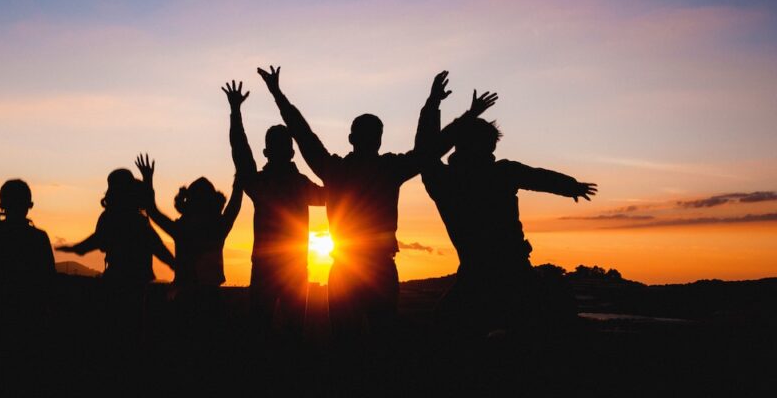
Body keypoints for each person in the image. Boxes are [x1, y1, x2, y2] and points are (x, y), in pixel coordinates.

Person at [256, 65, 495, 340]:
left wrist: (277, 94)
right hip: (379, 269)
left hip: (346, 270)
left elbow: (302, 134)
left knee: (348, 344)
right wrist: (455, 111)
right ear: (380, 140)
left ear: (351, 139)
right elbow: (431, 149)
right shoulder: (389, 169)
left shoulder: (335, 170)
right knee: (384, 342)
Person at [421, 104, 597, 334]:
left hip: (486, 272)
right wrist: (571, 186)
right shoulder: (496, 173)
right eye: (488, 145)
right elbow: (537, 177)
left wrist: (435, 105)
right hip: (506, 273)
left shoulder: (443, 180)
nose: (492, 150)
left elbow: (426, 152)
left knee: (451, 327)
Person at [224, 80, 325, 339]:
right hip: (292, 267)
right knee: (292, 334)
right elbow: (331, 195)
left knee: (260, 331)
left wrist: (235, 112)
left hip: (267, 267)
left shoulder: (262, 183)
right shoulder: (299, 185)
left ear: (267, 152)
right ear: (292, 153)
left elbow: (241, 153)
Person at [135, 154, 242, 293]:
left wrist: (148, 180)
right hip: (210, 295)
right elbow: (235, 201)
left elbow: (152, 210)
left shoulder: (182, 229)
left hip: (184, 294)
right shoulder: (218, 227)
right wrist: (240, 174)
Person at [56, 168, 175, 283]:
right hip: (140, 281)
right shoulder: (140, 220)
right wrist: (174, 264)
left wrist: (76, 248)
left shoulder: (109, 217)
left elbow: (99, 241)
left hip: (116, 278)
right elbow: (157, 246)